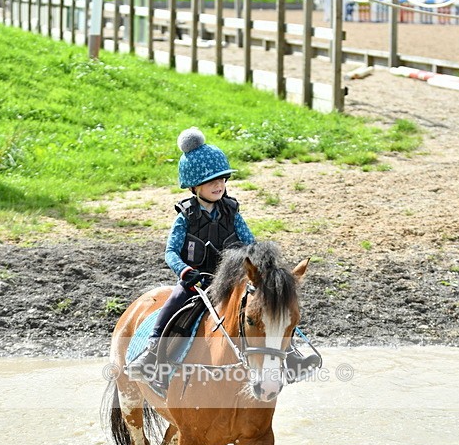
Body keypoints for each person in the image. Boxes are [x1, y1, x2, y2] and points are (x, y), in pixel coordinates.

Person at [130, 127, 321, 397]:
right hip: (196, 282)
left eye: (222, 179)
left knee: (271, 310)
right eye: (211, 182)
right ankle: (150, 355)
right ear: (194, 186)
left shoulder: (231, 211)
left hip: (231, 282)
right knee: (173, 304)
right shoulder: (185, 217)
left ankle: (291, 355)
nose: (219, 185)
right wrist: (185, 272)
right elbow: (170, 252)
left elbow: (251, 244)